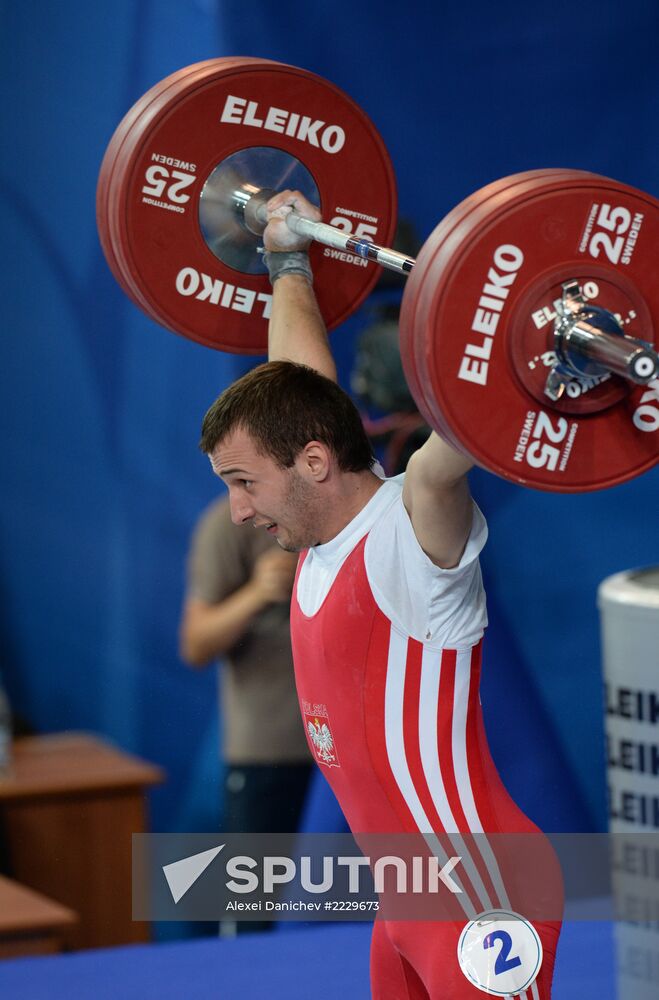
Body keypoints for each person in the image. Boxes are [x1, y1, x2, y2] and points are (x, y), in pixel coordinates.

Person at [197, 192, 563, 997]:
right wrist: (286, 259)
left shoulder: (408, 532)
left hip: (480, 896)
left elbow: (452, 448)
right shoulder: (318, 531)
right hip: (405, 902)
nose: (238, 510)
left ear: (313, 464)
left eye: (243, 482)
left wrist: (539, 349)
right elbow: (299, 383)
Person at [179, 495, 312, 932]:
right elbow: (195, 643)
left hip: (352, 755)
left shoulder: (349, 514)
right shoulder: (226, 525)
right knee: (254, 912)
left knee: (353, 903)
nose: (241, 498)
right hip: (269, 758)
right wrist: (257, 593)